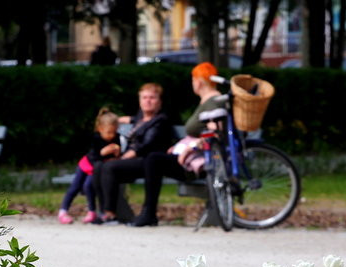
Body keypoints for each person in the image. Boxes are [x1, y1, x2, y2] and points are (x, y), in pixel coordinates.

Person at [133, 62, 227, 227]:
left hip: (202, 162)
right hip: (197, 158)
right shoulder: (209, 101)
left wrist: (191, 148)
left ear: (198, 81)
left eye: (193, 80)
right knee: (154, 159)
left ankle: (149, 213)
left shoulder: (213, 101)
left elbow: (215, 133)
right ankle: (148, 212)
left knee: (153, 160)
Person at [96, 82, 175, 224]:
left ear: (159, 101)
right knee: (98, 166)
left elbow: (147, 145)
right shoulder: (140, 118)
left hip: (149, 163)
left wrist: (125, 156)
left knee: (109, 167)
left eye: (152, 98)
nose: (148, 101)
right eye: (144, 97)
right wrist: (118, 120)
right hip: (134, 161)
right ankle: (103, 211)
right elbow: (133, 120)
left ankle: (110, 213)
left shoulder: (161, 120)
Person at [58, 109, 121, 224]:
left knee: (88, 186)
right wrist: (104, 152)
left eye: (114, 132)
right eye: (109, 132)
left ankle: (92, 212)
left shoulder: (116, 137)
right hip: (87, 164)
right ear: (100, 129)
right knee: (75, 186)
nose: (112, 136)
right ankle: (63, 211)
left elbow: (117, 156)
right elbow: (96, 155)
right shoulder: (96, 138)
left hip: (98, 169)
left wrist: (117, 153)